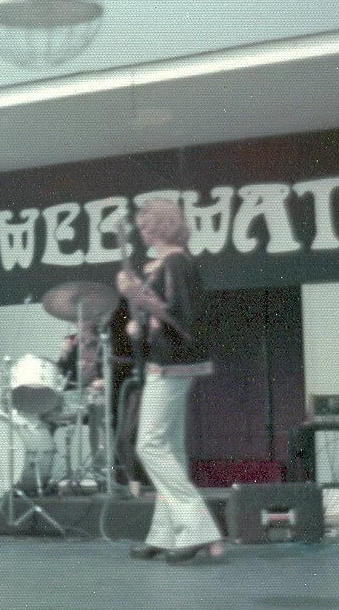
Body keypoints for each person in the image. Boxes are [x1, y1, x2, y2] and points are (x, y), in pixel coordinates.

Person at [115, 199, 224, 564]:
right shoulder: (169, 263)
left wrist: (138, 296)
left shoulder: (176, 261)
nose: (143, 233)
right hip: (168, 363)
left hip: (173, 365)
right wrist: (139, 316)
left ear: (161, 227)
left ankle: (197, 529)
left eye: (147, 226)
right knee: (170, 450)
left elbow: (182, 317)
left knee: (150, 445)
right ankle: (165, 533)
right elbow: (163, 315)